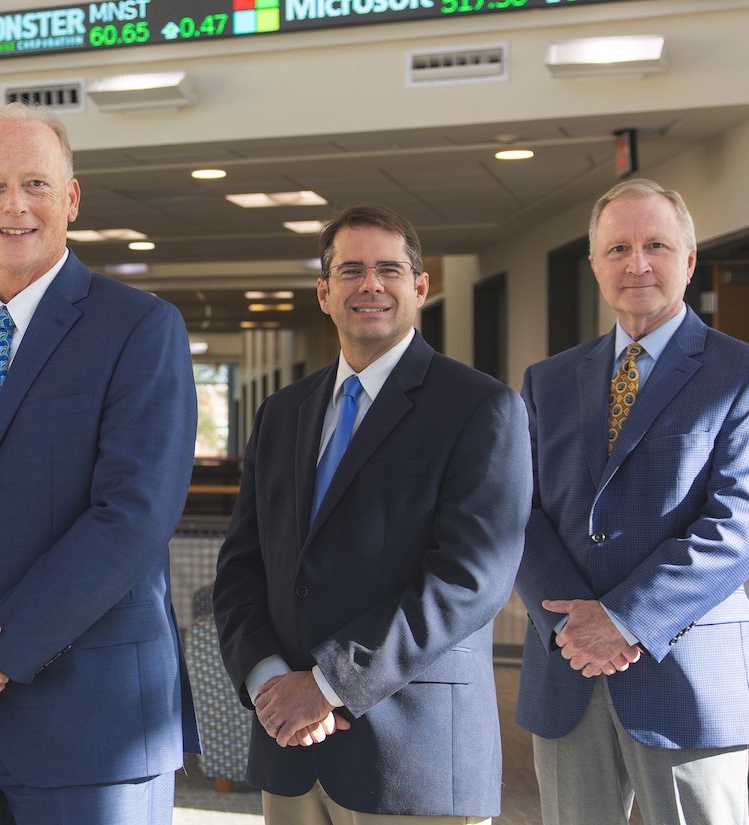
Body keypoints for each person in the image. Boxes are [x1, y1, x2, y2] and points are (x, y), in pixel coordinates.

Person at [0, 102, 198, 822]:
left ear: (71, 200)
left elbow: (131, 517)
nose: (14, 205)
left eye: (36, 185)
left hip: (93, 731)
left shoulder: (140, 327)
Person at [212, 204, 530, 824]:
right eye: (351, 271)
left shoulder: (480, 407)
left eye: (388, 269)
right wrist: (269, 680)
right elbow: (243, 568)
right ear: (324, 293)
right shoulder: (283, 413)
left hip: (414, 756)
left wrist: (327, 685)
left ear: (420, 287)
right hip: (290, 751)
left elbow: (469, 582)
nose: (371, 285)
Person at [517, 179, 749, 825]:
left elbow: (737, 527)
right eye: (617, 248)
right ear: (594, 265)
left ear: (689, 260)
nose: (636, 263)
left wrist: (621, 619)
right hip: (568, 670)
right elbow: (518, 509)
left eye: (656, 245)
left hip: (687, 670)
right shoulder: (548, 380)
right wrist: (570, 624)